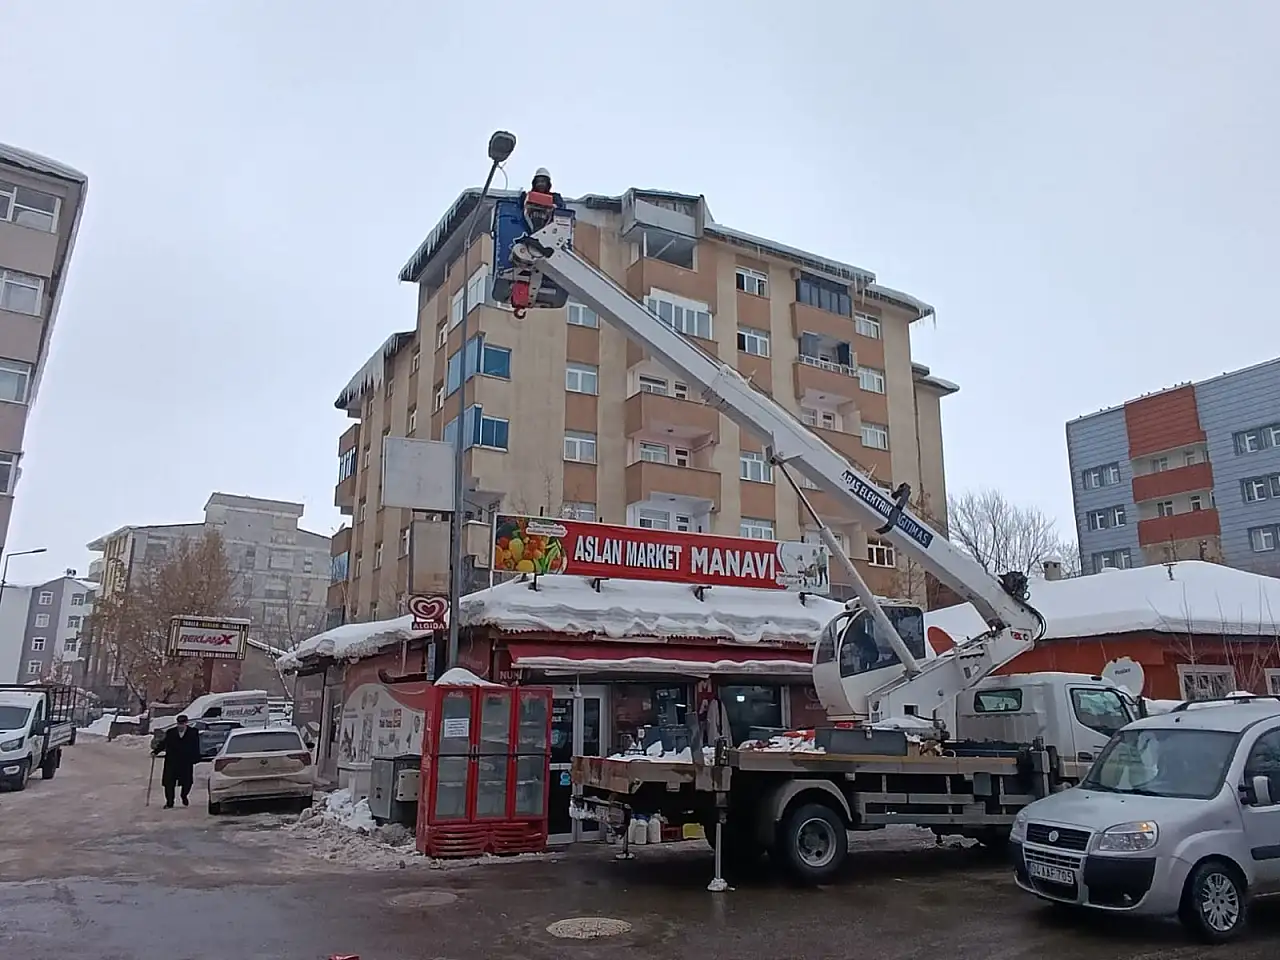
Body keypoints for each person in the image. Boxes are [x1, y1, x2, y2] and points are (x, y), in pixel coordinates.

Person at [152, 714, 202, 808]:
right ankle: (170, 802)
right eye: (179, 723)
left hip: (185, 761)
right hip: (172, 761)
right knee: (168, 782)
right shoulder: (171, 732)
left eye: (182, 723)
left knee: (187, 782)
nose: (180, 726)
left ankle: (184, 795)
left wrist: (196, 757)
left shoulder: (193, 732)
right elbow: (164, 743)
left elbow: (196, 745)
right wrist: (156, 751)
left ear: (186, 723)